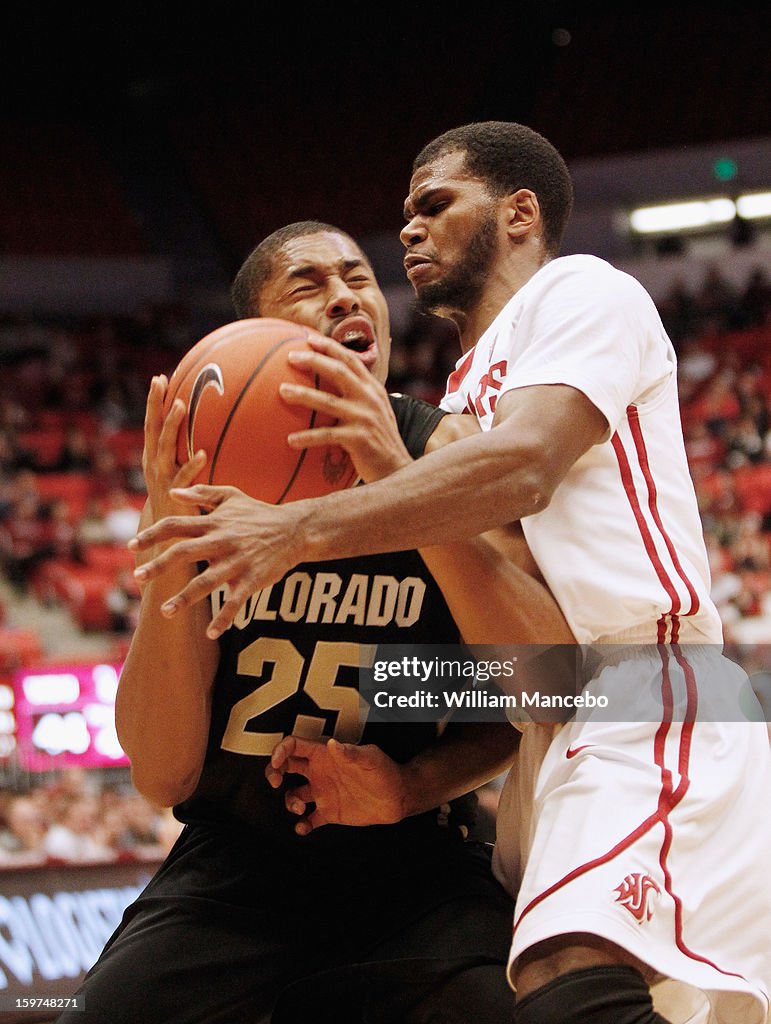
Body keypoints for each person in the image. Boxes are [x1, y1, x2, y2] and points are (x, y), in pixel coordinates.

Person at [132, 126, 771, 1024]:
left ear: (519, 213)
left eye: (434, 205)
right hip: (552, 716)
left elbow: (525, 466)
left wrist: (292, 529)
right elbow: (467, 679)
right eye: (404, 215)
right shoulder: (462, 403)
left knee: (563, 986)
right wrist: (408, 781)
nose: (406, 235)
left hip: (642, 685)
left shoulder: (577, 292)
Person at [58, 220, 575, 1024]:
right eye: (308, 283)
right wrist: (173, 547)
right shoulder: (205, 484)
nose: (344, 294)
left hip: (415, 864)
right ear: (253, 335)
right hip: (239, 868)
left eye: (358, 277)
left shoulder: (449, 451)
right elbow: (162, 776)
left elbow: (542, 693)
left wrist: (409, 785)